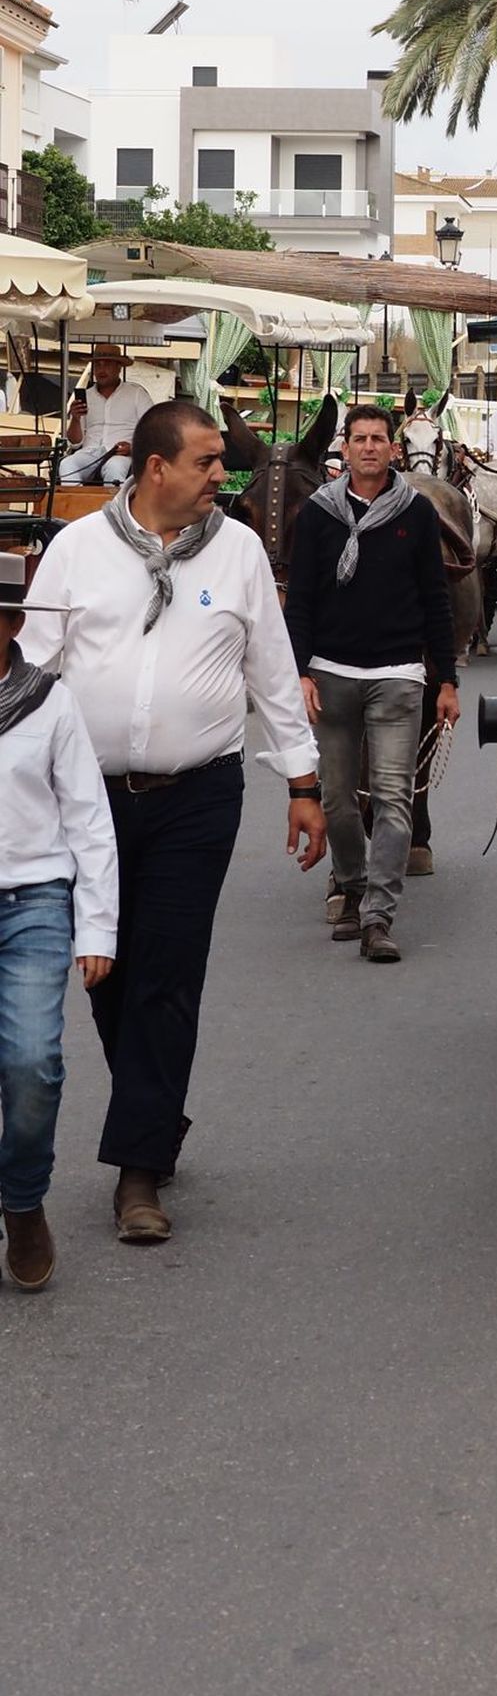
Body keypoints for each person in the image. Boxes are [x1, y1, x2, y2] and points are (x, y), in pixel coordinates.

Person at [24, 399, 325, 1246]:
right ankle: (152, 1113)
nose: (220, 479)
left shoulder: (237, 555)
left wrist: (302, 782)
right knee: (109, 969)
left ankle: (139, 1171)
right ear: (156, 467)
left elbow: (272, 671)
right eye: (206, 463)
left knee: (167, 970)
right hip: (86, 801)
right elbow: (33, 674)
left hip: (200, 793)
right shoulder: (76, 552)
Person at [283, 403, 460, 965]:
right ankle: (352, 885)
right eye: (358, 439)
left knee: (392, 798)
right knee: (337, 799)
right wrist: (299, 670)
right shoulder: (316, 516)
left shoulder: (417, 514)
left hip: (397, 675)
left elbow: (437, 600)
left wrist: (447, 679)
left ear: (393, 449)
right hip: (331, 672)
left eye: (378, 439)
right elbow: (302, 600)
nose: (368, 448)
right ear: (345, 449)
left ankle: (379, 915)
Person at [0, 553, 118, 1291]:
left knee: (33, 1064)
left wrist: (95, 928)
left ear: (10, 625)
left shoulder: (49, 702)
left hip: (34, 902)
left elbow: (89, 818)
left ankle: (23, 1201)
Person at [59, 345, 152, 485]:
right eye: (97, 364)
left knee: (115, 468)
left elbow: (152, 431)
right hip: (90, 452)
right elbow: (75, 442)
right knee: (66, 465)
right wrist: (76, 419)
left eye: (107, 364)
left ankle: (111, 507)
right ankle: (78, 505)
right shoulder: (87, 395)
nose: (101, 369)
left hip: (119, 453)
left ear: (119, 367)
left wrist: (133, 448)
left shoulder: (136, 394)